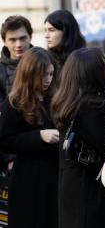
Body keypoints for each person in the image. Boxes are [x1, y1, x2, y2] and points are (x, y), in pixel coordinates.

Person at [51, 47, 105, 228]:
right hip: (92, 195)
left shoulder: (67, 103)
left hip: (72, 191)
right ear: (94, 74)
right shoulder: (93, 109)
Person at [0, 47, 59, 228]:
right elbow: (5, 141)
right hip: (27, 177)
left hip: (54, 176)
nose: (48, 80)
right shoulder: (14, 103)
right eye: (43, 75)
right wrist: (38, 136)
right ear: (29, 74)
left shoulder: (56, 99)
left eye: (51, 74)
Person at [0, 15, 33, 176]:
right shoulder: (0, 72)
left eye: (22, 38)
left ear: (30, 37)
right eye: (12, 40)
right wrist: (8, 158)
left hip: (42, 148)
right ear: (4, 41)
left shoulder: (45, 63)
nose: (18, 44)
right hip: (9, 155)